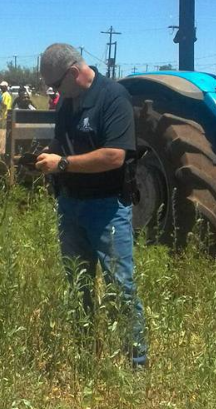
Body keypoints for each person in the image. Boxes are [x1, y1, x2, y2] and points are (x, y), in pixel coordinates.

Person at [36, 43, 147, 367]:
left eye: (56, 85)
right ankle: (86, 353)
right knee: (78, 282)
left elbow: (115, 156)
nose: (55, 93)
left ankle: (136, 363)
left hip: (106, 208)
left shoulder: (113, 98)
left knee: (120, 287)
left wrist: (63, 164)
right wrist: (47, 155)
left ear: (73, 73)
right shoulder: (67, 103)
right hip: (70, 205)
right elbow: (62, 144)